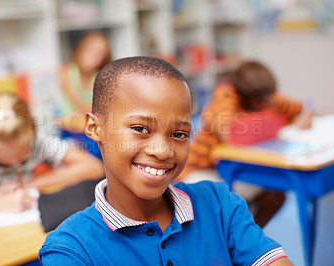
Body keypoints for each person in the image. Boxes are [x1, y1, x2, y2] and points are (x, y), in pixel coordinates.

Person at [39, 56, 293, 265]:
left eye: (179, 134)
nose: (163, 151)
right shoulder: (71, 249)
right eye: (140, 129)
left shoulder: (219, 204)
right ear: (95, 128)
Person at [178, 60, 312, 227]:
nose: (270, 104)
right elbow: (228, 133)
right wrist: (272, 122)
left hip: (238, 170)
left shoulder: (266, 96)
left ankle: (245, 240)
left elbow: (303, 108)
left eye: (271, 98)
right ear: (244, 97)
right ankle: (230, 239)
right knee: (214, 207)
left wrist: (303, 118)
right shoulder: (226, 97)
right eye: (263, 102)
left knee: (276, 195)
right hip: (203, 169)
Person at [0, 92, 104, 216]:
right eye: (6, 156)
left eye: (22, 153)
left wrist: (27, 185)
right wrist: (2, 203)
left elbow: (93, 167)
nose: (16, 162)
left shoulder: (35, 140)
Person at [58, 31, 111, 160]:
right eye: (92, 52)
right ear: (81, 50)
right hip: (67, 126)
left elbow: (100, 107)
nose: (95, 58)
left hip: (87, 125)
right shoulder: (67, 71)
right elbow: (81, 104)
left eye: (100, 55)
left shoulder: (99, 77)